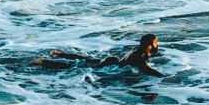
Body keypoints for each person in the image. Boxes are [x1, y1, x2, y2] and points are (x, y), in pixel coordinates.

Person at [32, 33, 163, 77]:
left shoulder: (140, 50)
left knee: (87, 60)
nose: (158, 44)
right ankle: (44, 62)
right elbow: (146, 69)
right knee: (77, 68)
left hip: (114, 62)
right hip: (112, 66)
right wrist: (164, 77)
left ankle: (59, 54)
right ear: (150, 46)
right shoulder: (139, 57)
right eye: (156, 42)